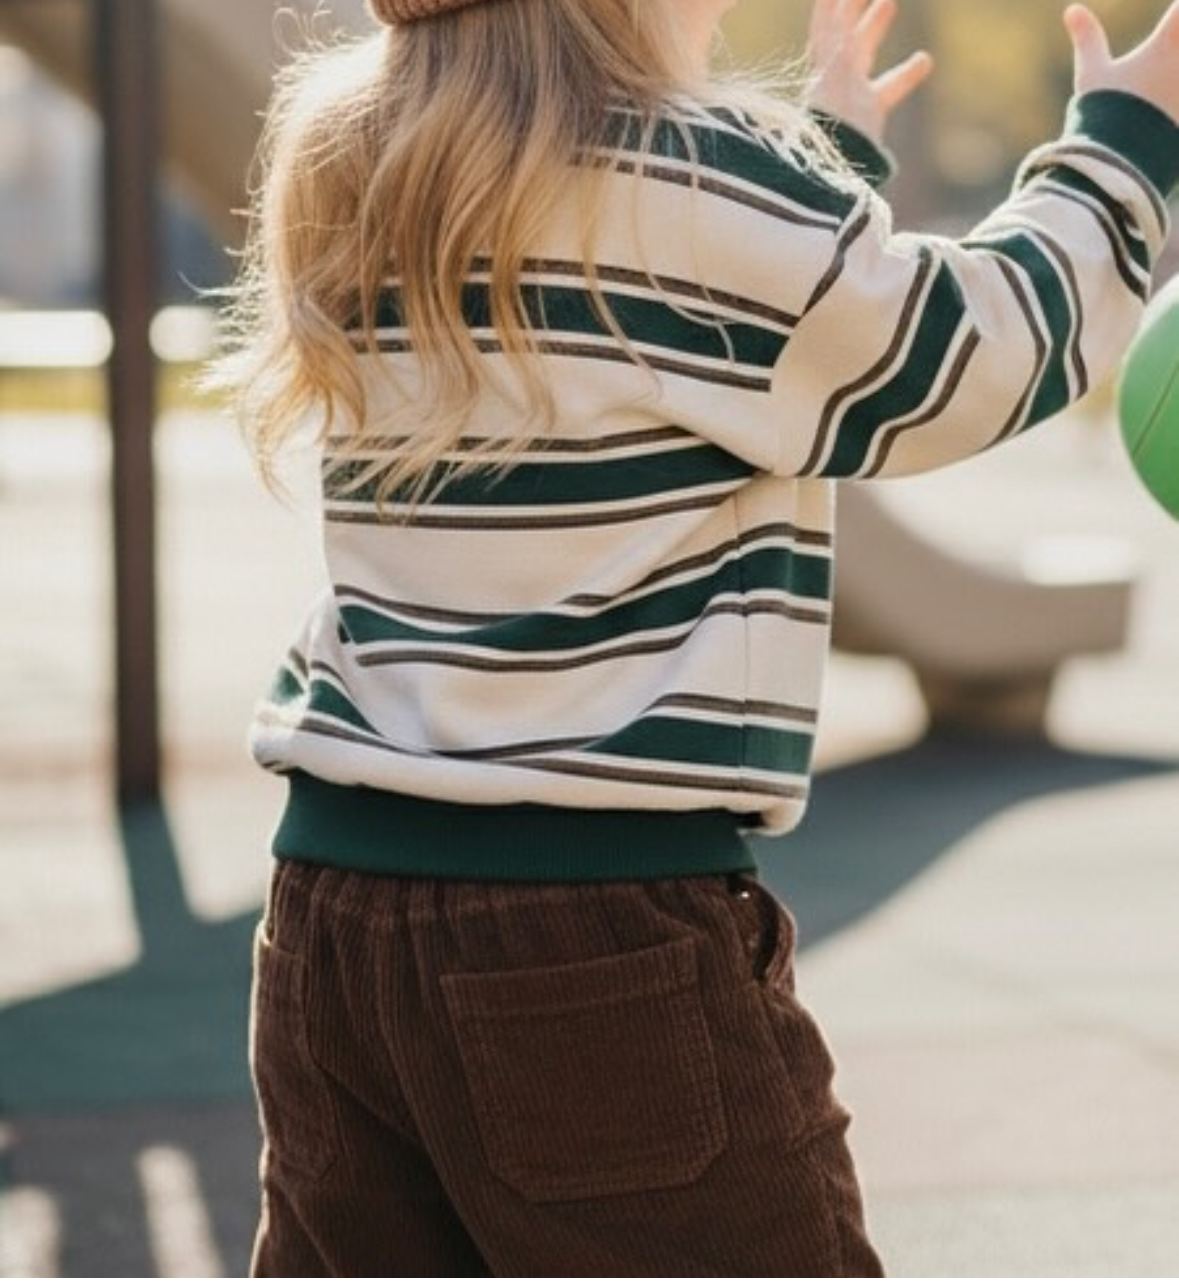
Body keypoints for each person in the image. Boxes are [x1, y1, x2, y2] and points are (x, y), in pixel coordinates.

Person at [209, 0, 1179, 1274]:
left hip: (332, 931)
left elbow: (651, 324)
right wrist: (1125, 144)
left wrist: (816, 168)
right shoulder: (691, 176)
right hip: (589, 945)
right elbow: (964, 351)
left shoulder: (359, 156)